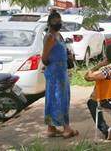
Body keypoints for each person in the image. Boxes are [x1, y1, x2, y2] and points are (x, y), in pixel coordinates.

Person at [42, 10, 78, 139]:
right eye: (55, 21)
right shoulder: (50, 37)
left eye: (59, 20)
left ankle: (51, 128)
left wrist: (67, 56)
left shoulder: (59, 35)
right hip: (54, 73)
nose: (58, 23)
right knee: (58, 98)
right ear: (49, 23)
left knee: (58, 98)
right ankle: (66, 128)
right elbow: (44, 58)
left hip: (61, 72)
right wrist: (54, 63)